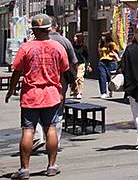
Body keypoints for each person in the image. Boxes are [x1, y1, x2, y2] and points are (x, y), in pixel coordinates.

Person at [5, 14, 69, 179]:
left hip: (31, 95)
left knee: (28, 130)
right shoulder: (58, 47)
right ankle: (52, 166)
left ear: (33, 29)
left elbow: (16, 71)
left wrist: (11, 89)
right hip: (52, 95)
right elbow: (64, 70)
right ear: (49, 28)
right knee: (51, 129)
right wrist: (64, 90)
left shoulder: (26, 48)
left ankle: (24, 169)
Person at [33, 18, 77, 152]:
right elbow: (73, 62)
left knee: (37, 110)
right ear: (56, 27)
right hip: (60, 82)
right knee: (57, 112)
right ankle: (54, 143)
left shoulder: (34, 43)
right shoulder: (64, 42)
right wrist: (74, 81)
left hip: (37, 81)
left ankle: (39, 136)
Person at [97, 32, 119, 99]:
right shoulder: (101, 44)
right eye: (102, 36)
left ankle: (110, 90)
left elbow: (116, 52)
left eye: (104, 36)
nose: (102, 37)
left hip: (111, 62)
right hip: (102, 61)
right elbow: (99, 52)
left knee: (110, 77)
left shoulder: (112, 44)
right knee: (102, 77)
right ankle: (103, 92)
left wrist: (112, 54)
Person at [71, 34, 90, 99]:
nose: (74, 38)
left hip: (81, 64)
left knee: (79, 78)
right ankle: (75, 91)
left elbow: (87, 56)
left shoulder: (83, 47)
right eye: (74, 36)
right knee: (74, 78)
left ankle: (79, 92)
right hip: (73, 64)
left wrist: (88, 65)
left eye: (76, 37)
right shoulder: (72, 46)